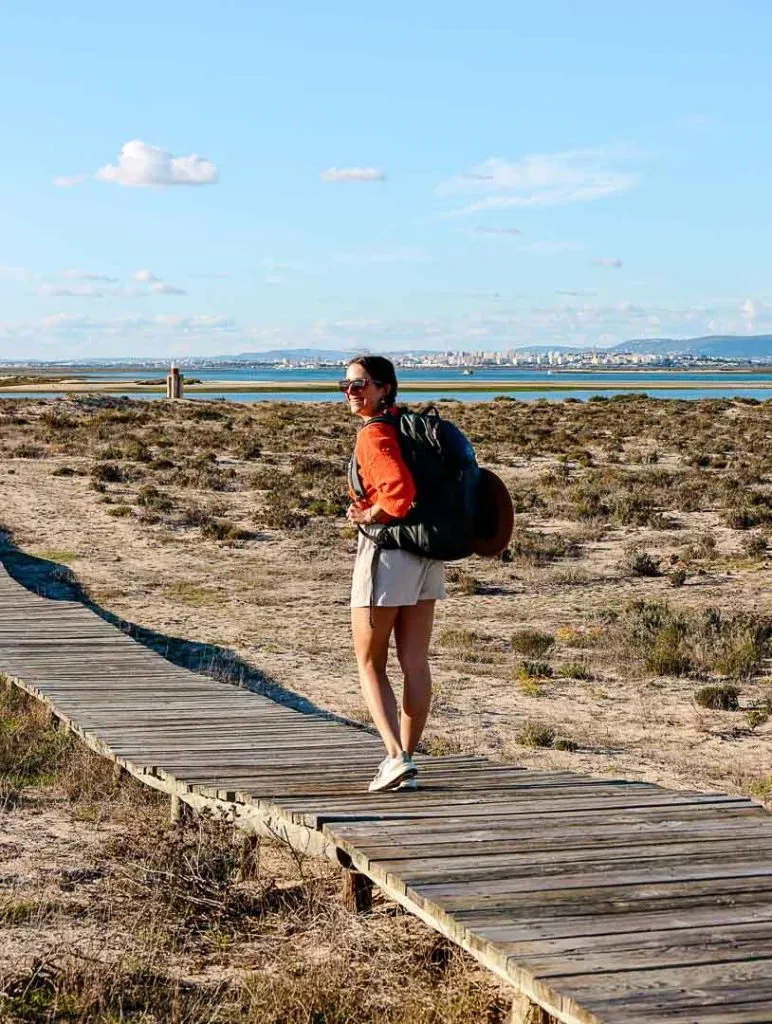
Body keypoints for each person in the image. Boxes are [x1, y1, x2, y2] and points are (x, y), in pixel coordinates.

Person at [341, 355, 445, 793]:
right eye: (345, 386)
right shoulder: (410, 427)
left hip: (388, 552)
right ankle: (407, 760)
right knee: (415, 661)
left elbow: (399, 493)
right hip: (428, 552)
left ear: (384, 388)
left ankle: (394, 755)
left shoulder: (375, 433)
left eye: (359, 385)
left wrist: (370, 512)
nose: (350, 393)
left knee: (369, 661)